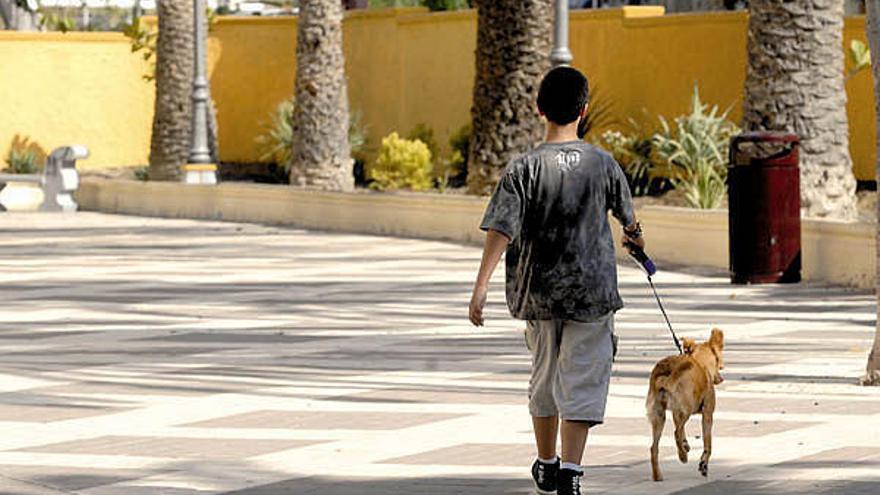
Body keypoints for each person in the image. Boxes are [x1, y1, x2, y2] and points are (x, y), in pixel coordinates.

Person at [468, 66, 644, 495]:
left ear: (538, 108)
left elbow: (501, 230)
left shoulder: (523, 168)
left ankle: (546, 463)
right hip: (593, 294)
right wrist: (636, 242)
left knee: (545, 376)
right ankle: (572, 471)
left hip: (539, 294)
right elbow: (629, 221)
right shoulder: (604, 164)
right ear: (584, 111)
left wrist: (481, 286)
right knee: (583, 377)